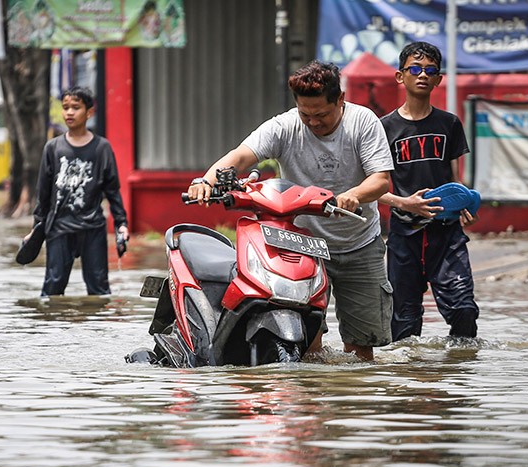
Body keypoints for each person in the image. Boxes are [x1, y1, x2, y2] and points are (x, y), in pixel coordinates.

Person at [188, 60, 394, 360]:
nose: (313, 122)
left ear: (340, 100)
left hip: (358, 244)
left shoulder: (364, 122)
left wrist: (351, 195)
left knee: (361, 349)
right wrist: (205, 180)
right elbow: (241, 156)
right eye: (305, 114)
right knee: (307, 346)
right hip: (301, 247)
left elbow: (380, 180)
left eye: (321, 114)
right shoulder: (284, 126)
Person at [379, 41, 479, 341]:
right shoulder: (384, 128)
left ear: (439, 79)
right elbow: (373, 187)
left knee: (464, 310)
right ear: (401, 76)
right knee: (404, 325)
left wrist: (463, 202)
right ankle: (411, 382)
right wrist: (405, 204)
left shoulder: (449, 123)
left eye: (430, 70)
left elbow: (454, 178)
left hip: (446, 233)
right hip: (404, 236)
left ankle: (457, 375)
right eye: (415, 69)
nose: (422, 75)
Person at [28, 86, 129, 296]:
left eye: (76, 107)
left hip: (92, 228)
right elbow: (43, 194)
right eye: (65, 108)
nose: (69, 113)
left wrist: (122, 224)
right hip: (59, 227)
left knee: (100, 290)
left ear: (89, 112)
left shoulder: (102, 148)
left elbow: (113, 190)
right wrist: (37, 227)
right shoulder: (53, 148)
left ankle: (98, 329)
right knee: (52, 290)